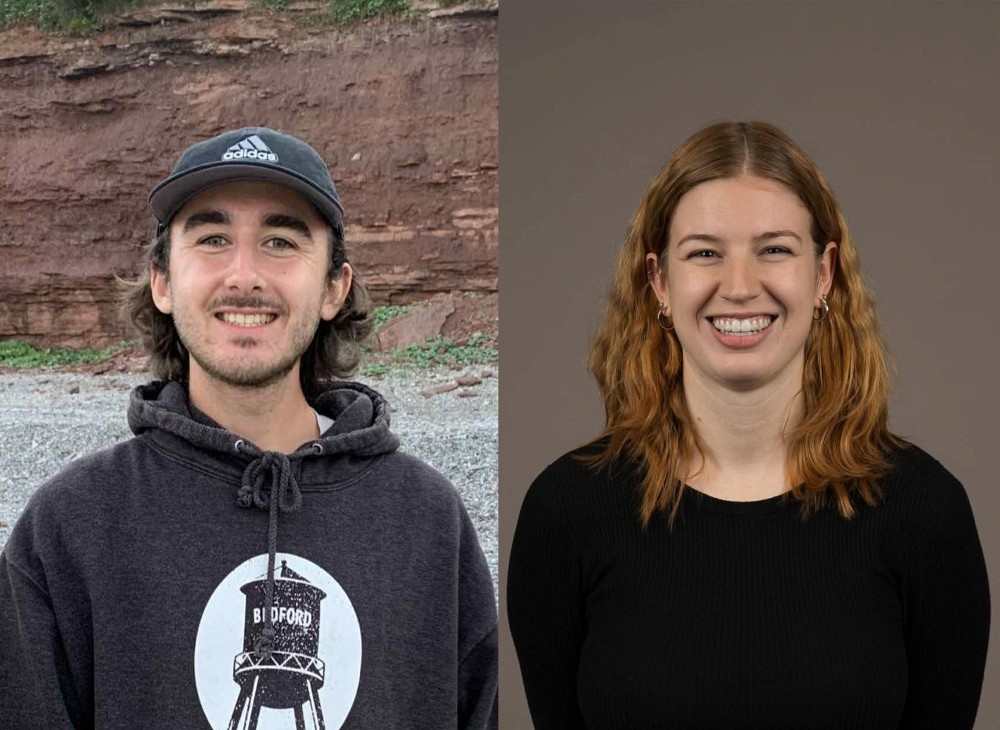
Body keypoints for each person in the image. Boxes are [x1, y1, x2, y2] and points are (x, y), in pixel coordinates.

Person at [0, 127, 498, 729]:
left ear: (334, 288)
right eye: (212, 239)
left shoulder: (425, 521)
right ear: (162, 281)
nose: (244, 275)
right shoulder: (72, 527)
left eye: (281, 241)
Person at [507, 121, 990, 729]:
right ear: (659, 282)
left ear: (823, 274)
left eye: (775, 249)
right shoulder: (566, 512)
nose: (738, 287)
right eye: (705, 252)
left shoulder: (925, 512)